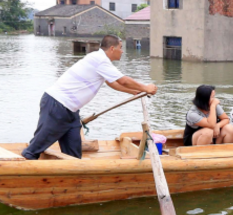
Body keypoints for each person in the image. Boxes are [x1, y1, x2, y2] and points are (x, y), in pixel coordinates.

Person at [22, 34, 157, 160]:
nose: (122, 51)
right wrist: (146, 88)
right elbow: (123, 80)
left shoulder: (99, 60)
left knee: (73, 153)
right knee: (36, 147)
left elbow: (113, 83)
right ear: (112, 48)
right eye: (120, 48)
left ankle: (74, 179)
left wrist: (133, 92)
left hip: (70, 111)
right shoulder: (100, 60)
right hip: (58, 105)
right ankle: (22, 169)